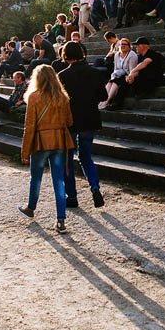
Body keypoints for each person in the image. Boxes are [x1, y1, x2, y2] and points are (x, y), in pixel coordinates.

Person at [16, 65, 75, 234]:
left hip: (41, 142)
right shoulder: (62, 97)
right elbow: (69, 121)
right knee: (58, 181)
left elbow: (29, 127)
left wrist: (25, 151)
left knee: (36, 178)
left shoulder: (34, 97)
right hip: (59, 141)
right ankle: (61, 220)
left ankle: (31, 208)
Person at [58, 42, 107, 209]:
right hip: (89, 119)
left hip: (70, 121)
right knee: (86, 157)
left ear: (66, 55)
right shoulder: (94, 72)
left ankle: (71, 196)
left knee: (67, 160)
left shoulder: (62, 75)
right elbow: (103, 95)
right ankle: (94, 187)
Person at [99, 38, 138, 110]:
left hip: (127, 76)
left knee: (115, 81)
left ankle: (107, 101)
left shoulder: (132, 55)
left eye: (125, 44)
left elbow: (132, 71)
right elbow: (116, 69)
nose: (122, 46)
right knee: (110, 81)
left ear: (129, 46)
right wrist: (114, 76)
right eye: (121, 44)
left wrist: (124, 76)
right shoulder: (117, 55)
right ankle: (102, 100)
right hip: (117, 75)